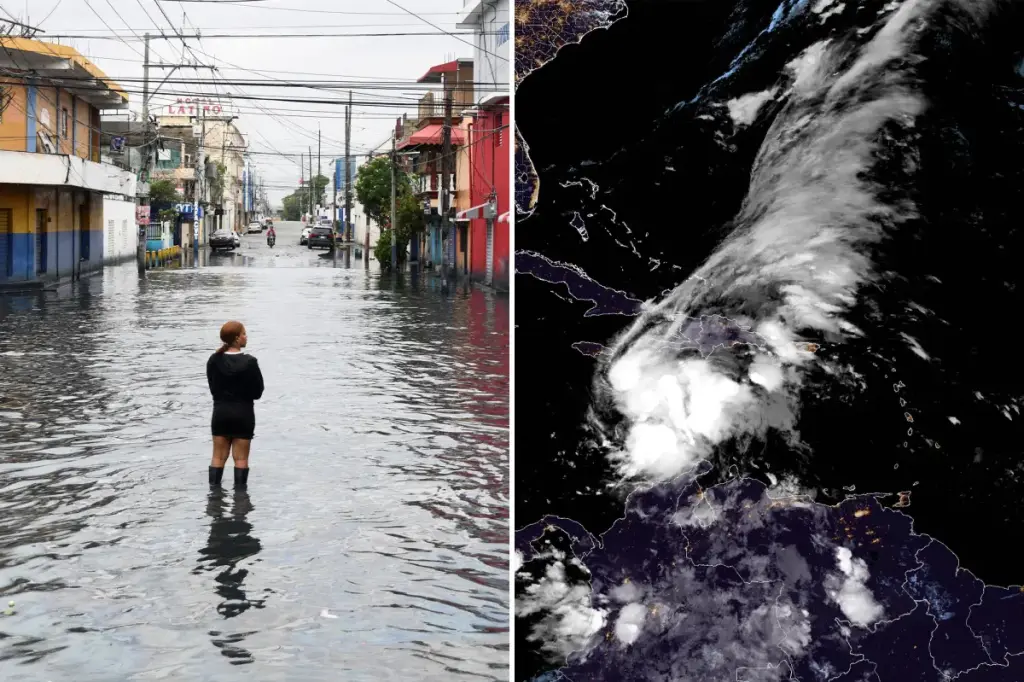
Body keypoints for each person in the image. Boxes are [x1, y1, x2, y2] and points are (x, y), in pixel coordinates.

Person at [207, 321, 264, 488]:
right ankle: (241, 498)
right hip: (243, 414)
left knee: (218, 457)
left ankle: (214, 497)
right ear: (237, 338)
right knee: (241, 459)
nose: (246, 336)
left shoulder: (214, 360)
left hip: (220, 413)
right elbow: (258, 392)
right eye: (244, 333)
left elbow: (213, 388)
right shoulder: (250, 362)